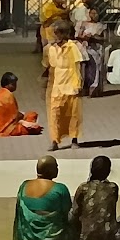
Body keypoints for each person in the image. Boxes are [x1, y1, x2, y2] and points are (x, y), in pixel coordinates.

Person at [12, 154, 74, 240]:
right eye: (56, 167)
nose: (58, 169)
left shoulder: (24, 185)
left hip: (27, 239)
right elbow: (68, 213)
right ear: (49, 170)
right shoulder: (60, 188)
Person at [42, 20, 87, 151]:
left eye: (56, 34)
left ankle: (74, 139)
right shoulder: (50, 49)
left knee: (73, 115)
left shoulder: (74, 47)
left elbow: (81, 64)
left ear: (64, 34)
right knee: (55, 114)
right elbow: (48, 67)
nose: (54, 37)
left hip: (72, 85)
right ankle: (55, 141)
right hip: (57, 87)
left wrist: (81, 83)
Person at [0, 72, 43, 136]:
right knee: (35, 127)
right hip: (6, 128)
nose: (15, 86)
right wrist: (24, 122)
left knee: (31, 114)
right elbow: (13, 117)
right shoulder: (8, 95)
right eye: (13, 84)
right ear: (6, 85)